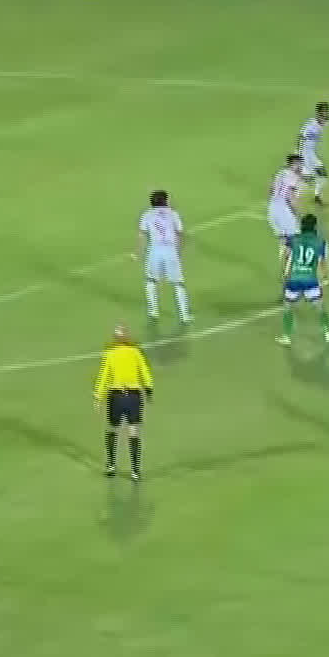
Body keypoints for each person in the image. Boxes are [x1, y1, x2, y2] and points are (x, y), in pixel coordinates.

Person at [95, 323, 154, 479]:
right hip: (134, 396)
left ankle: (111, 465)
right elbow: (145, 371)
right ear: (127, 337)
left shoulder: (110, 353)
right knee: (133, 431)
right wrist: (148, 390)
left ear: (115, 338)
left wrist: (98, 396)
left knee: (112, 429)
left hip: (116, 396)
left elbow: (103, 376)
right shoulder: (136, 352)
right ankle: (135, 471)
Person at [278, 213, 329, 346]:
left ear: (302, 226)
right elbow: (322, 261)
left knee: (288, 307)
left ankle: (286, 337)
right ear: (315, 226)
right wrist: (325, 277)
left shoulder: (293, 239)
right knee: (320, 308)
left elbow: (286, 255)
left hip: (294, 279)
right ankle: (328, 335)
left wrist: (284, 273)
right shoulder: (320, 242)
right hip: (310, 280)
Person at [136, 189, 192, 324]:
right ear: (165, 200)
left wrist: (138, 252)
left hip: (155, 250)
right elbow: (179, 234)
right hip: (170, 249)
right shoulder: (174, 214)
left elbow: (141, 235)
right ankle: (185, 315)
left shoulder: (146, 215)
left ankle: (153, 311)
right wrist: (178, 252)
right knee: (178, 283)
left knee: (151, 280)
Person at [267, 154, 305, 256]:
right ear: (294, 164)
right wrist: (298, 212)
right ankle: (291, 261)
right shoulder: (293, 177)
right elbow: (291, 197)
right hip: (283, 209)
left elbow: (270, 190)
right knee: (295, 236)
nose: (301, 166)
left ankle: (285, 260)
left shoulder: (280, 173)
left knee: (284, 239)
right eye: (299, 164)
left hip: (272, 207)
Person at [298, 101, 329, 204]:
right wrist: (299, 156)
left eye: (327, 111)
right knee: (307, 179)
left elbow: (325, 122)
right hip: (304, 154)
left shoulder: (323, 123)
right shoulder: (310, 124)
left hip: (312, 154)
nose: (326, 113)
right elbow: (301, 138)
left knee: (322, 175)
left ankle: (317, 196)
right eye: (324, 111)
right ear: (319, 113)